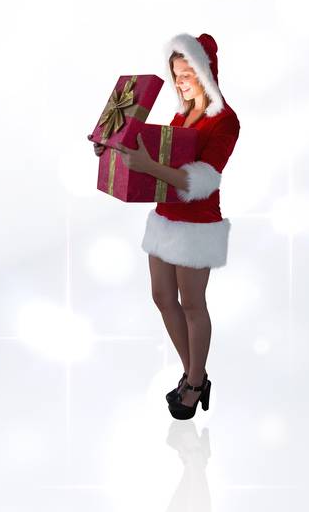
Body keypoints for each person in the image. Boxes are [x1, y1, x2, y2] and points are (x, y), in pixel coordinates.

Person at [98, 33, 240, 420]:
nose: (179, 83)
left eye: (186, 75)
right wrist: (111, 145)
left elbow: (204, 179)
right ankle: (194, 372)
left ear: (206, 73)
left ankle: (194, 382)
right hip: (165, 218)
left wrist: (149, 166)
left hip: (196, 224)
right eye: (175, 75)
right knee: (163, 297)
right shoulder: (181, 115)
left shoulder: (225, 120)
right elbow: (158, 152)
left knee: (193, 304)